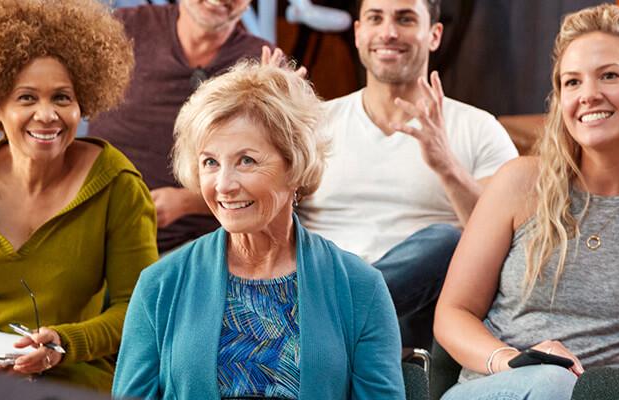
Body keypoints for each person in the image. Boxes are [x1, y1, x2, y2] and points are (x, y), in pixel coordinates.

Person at [431, 6, 619, 399]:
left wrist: (591, 392)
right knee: (549, 382)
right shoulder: (519, 182)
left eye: (609, 75)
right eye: (572, 82)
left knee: (557, 384)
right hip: (495, 388)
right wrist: (513, 361)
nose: (588, 95)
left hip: (609, 396)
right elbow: (453, 314)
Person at [113, 60, 406, 399]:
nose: (224, 185)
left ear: (295, 165)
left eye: (246, 161)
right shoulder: (159, 285)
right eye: (210, 162)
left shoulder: (360, 288)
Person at [0, 0, 154, 391]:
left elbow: (136, 312)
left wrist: (63, 344)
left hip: (67, 371)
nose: (47, 115)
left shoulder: (117, 185)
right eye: (27, 98)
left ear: (83, 99)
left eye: (62, 98)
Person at [297, 0, 517, 350]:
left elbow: (509, 244)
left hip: (418, 313)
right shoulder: (312, 123)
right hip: (322, 280)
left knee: (448, 240)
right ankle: (340, 320)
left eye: (405, 19)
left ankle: (335, 321)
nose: (388, 32)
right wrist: (265, 120)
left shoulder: (478, 128)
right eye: (375, 18)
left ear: (434, 34)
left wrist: (447, 166)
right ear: (358, 33)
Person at [93, 0, 272, 252]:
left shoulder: (262, 63)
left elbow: (286, 182)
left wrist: (187, 202)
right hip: (99, 233)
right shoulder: (125, 27)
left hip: (195, 247)